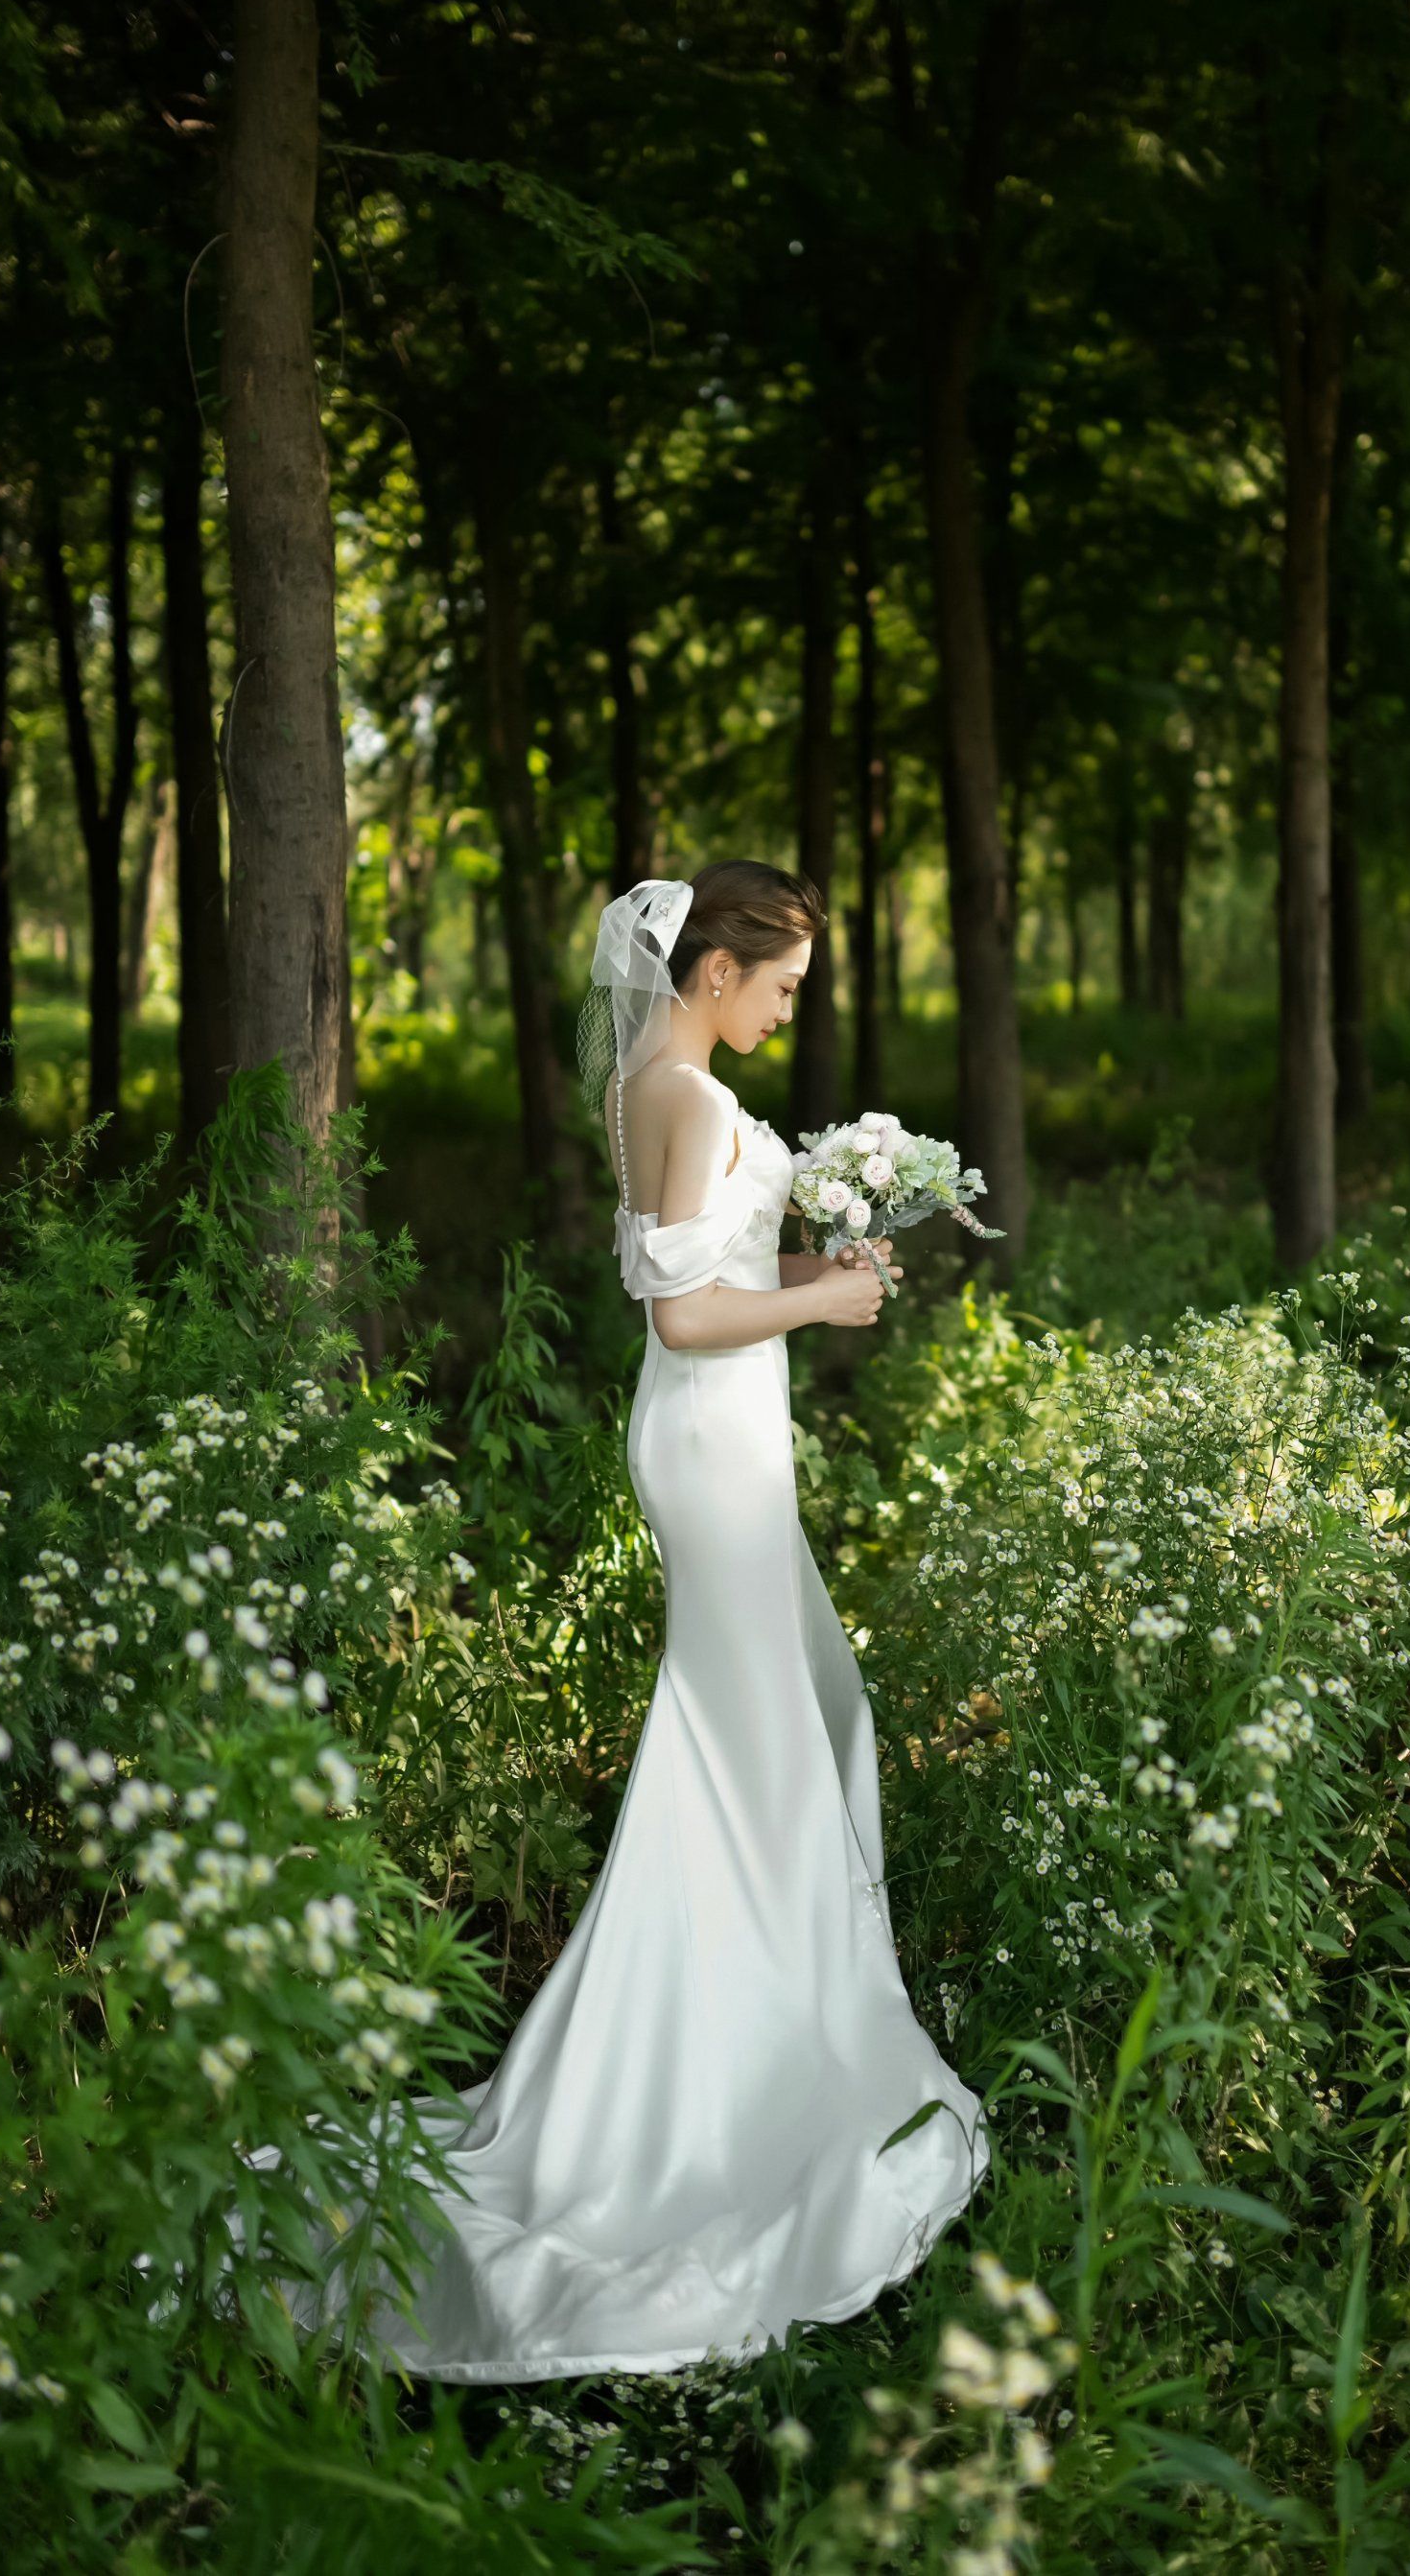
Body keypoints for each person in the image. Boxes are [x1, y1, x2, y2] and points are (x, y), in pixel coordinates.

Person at [355, 860, 989, 2381]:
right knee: (761, 1736)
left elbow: (704, 1271)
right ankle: (757, 2077)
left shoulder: (667, 1075)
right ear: (717, 968)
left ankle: (749, 2025)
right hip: (710, 1440)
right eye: (781, 983)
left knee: (773, 1726)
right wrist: (825, 1305)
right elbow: (682, 1316)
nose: (790, 1007)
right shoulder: (692, 1098)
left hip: (714, 1438)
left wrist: (813, 1267)